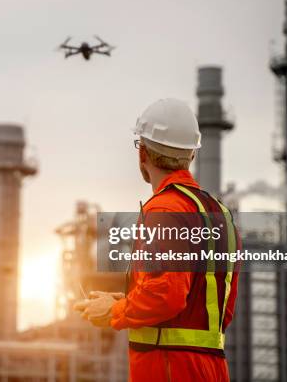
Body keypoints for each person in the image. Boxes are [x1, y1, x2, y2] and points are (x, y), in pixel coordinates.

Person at [75, 98, 240, 382]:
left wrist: (114, 311)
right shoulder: (219, 214)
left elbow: (167, 295)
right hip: (211, 369)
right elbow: (202, 305)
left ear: (143, 155)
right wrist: (128, 300)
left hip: (168, 369)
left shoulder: (163, 210)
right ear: (191, 155)